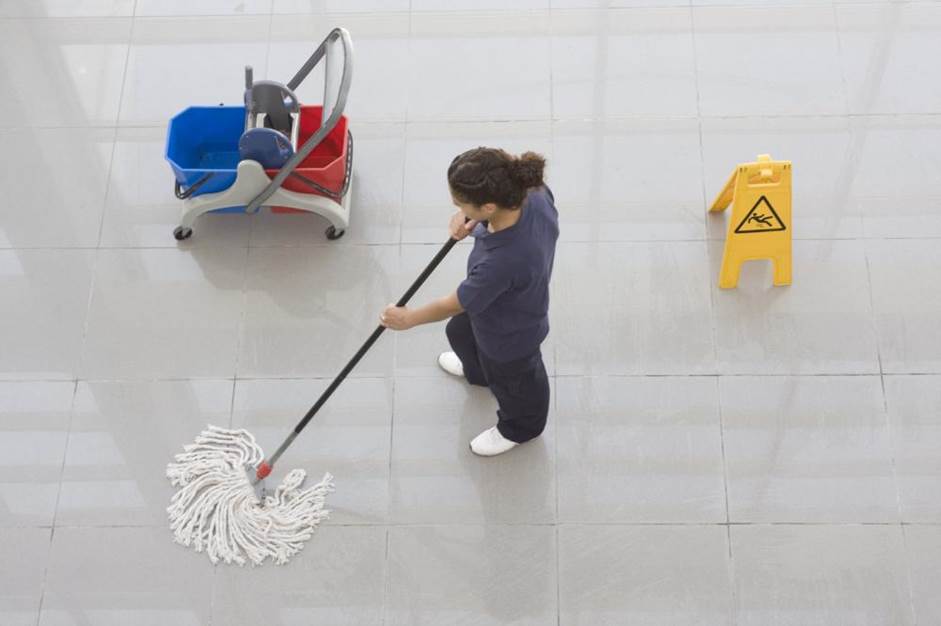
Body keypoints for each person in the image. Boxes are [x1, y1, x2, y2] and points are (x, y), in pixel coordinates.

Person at [380, 147, 559, 457]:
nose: (456, 208)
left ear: (489, 206)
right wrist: (471, 218)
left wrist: (409, 319)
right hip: (491, 307)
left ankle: (521, 427)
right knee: (460, 333)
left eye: (460, 203)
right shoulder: (533, 192)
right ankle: (478, 373)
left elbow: (455, 303)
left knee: (514, 381)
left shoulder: (504, 261)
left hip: (512, 331)